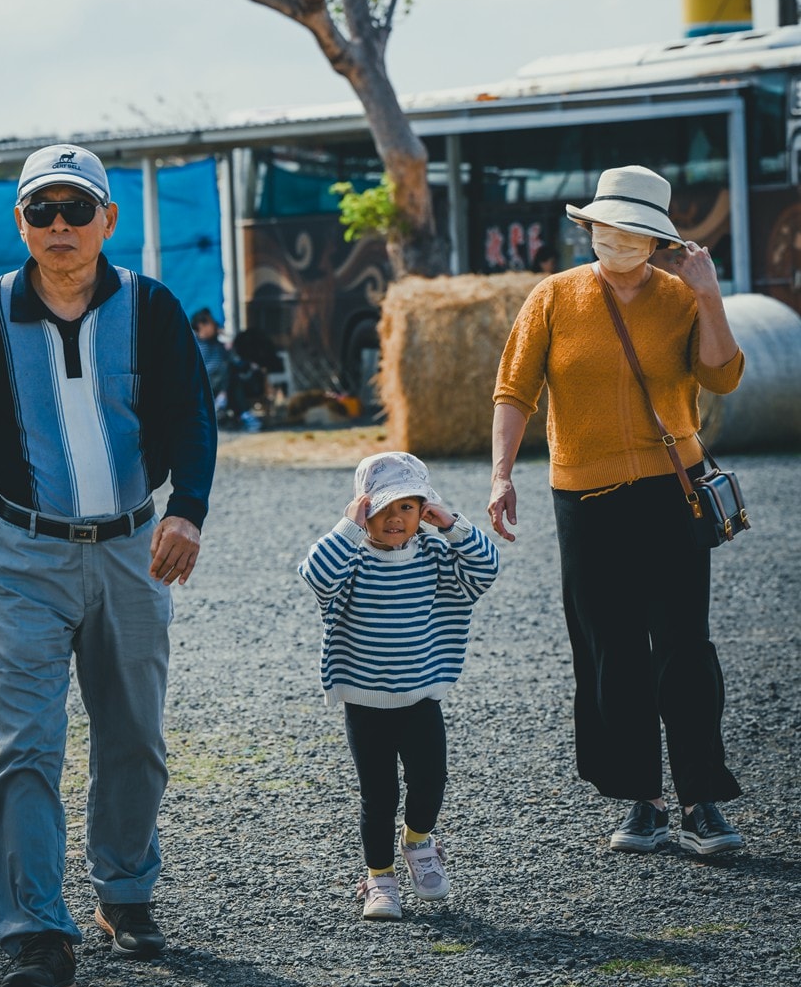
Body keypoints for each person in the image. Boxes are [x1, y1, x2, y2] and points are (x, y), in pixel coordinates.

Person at [0, 143, 217, 987]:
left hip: (133, 549)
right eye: (42, 210)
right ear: (20, 223)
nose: (60, 225)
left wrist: (187, 509)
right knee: (27, 746)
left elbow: (192, 418)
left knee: (134, 736)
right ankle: (34, 934)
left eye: (76, 209)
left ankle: (124, 892)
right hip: (27, 556)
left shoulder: (153, 307)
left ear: (107, 221)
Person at [488, 165, 745, 858]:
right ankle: (644, 801)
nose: (613, 239)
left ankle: (702, 802)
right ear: (591, 227)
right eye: (604, 227)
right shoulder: (553, 296)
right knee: (612, 652)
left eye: (629, 230)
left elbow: (723, 374)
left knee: (685, 649)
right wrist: (501, 474)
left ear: (656, 239)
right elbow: (514, 389)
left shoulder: (681, 298)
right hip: (585, 500)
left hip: (674, 490)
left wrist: (711, 299)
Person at [299, 451, 499, 920]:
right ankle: (379, 879)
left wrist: (452, 524)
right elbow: (315, 576)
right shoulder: (350, 558)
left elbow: (486, 571)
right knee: (379, 794)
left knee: (430, 782)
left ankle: (418, 841)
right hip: (364, 701)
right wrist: (347, 528)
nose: (395, 518)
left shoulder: (434, 554)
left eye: (407, 507)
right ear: (362, 510)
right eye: (382, 508)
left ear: (423, 512)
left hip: (420, 696)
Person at [190, 307, 231, 417]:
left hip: (220, 380)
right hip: (205, 379)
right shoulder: (193, 341)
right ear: (200, 326)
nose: (214, 325)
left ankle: (221, 401)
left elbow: (227, 355)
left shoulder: (216, 342)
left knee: (229, 368)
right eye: (210, 323)